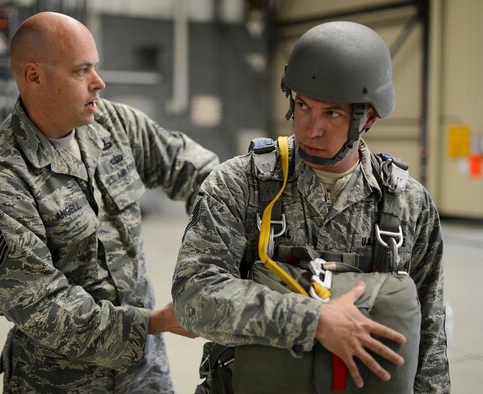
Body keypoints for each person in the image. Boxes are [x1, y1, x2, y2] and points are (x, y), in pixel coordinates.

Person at [172, 21, 450, 393]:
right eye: (302, 106)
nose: (310, 128)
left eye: (331, 114)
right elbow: (194, 298)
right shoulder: (241, 185)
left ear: (367, 117)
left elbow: (430, 336)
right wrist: (313, 320)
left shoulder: (407, 205)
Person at [0, 11, 219, 393]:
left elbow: (198, 172)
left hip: (145, 372)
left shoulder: (113, 125)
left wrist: (224, 244)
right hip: (59, 380)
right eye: (82, 71)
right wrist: (154, 322)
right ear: (33, 76)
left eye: (94, 67)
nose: (99, 82)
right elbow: (42, 307)